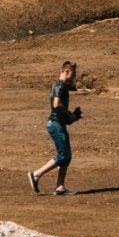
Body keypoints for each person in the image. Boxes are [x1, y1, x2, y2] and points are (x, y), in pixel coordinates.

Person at [28, 59, 81, 195]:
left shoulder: (60, 85)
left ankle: (60, 187)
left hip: (58, 124)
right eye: (73, 74)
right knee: (64, 156)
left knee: (66, 157)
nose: (74, 77)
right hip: (56, 125)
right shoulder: (59, 85)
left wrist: (72, 118)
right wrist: (69, 114)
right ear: (66, 71)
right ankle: (36, 175)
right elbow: (56, 105)